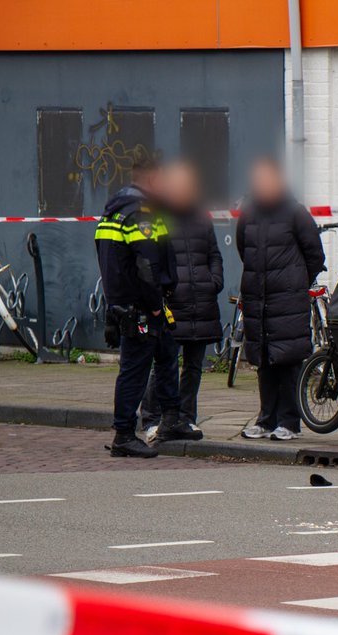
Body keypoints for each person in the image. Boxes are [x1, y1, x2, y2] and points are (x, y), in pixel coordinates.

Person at [95, 152, 196, 458]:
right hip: (141, 306)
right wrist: (153, 304)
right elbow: (145, 264)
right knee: (135, 369)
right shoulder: (139, 213)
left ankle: (172, 418)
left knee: (166, 355)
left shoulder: (115, 211)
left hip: (135, 303)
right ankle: (124, 434)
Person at [235, 157, 326, 441]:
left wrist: (296, 282)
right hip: (258, 298)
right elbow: (243, 249)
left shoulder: (296, 213)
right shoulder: (248, 213)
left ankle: (289, 421)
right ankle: (265, 419)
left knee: (287, 361)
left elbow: (315, 254)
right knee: (263, 360)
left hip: (286, 300)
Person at [140, 160, 224, 441]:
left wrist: (214, 282)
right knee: (164, 364)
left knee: (194, 367)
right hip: (172, 305)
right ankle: (152, 418)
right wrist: (161, 290)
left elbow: (214, 254)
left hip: (201, 303)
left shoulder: (202, 217)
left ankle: (187, 418)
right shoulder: (156, 217)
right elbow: (148, 258)